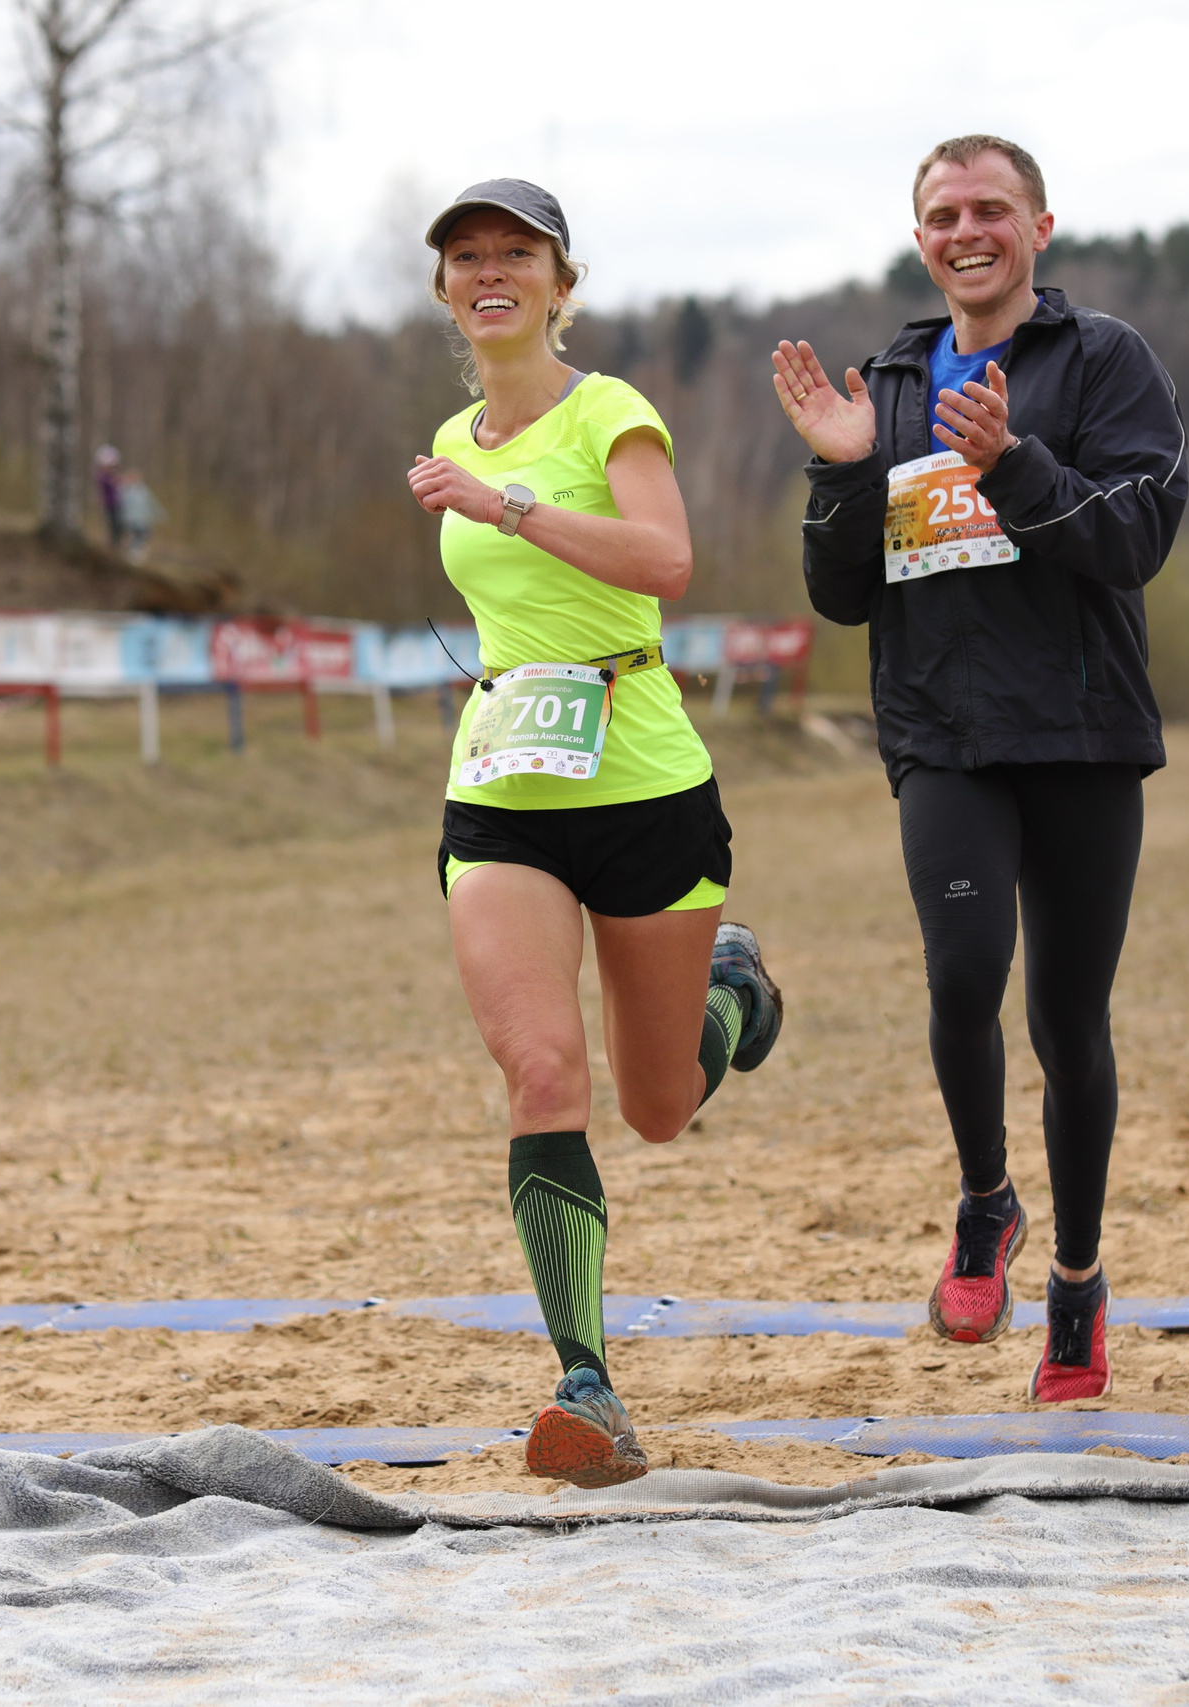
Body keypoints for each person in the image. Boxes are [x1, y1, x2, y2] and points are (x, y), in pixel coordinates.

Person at [770, 134, 1185, 1403]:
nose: (967, 231)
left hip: (1077, 737)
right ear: (920, 239)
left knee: (1068, 1023)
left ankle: (1075, 1283)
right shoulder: (888, 382)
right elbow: (842, 599)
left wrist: (1010, 460)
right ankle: (985, 1204)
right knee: (960, 976)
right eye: (943, 213)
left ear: (1038, 228)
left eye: (990, 209)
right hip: (941, 737)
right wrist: (842, 470)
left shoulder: (1104, 361)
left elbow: (1134, 537)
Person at [407, 179, 783, 1485]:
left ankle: (731, 992)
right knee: (542, 1076)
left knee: (661, 1101)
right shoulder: (451, 429)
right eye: (467, 256)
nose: (490, 271)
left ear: (562, 284)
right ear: (447, 289)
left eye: (517, 253)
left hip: (642, 780)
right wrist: (473, 490)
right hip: (504, 785)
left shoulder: (609, 411)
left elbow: (665, 563)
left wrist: (500, 502)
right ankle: (587, 1385)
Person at [116, 467, 160, 564]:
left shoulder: (143, 489)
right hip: (130, 520)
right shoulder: (124, 490)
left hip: (143, 519)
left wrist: (156, 515)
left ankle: (139, 557)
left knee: (143, 537)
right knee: (132, 538)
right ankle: (131, 557)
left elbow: (150, 503)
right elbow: (121, 505)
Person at [93, 445, 126, 551]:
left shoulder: (112, 475)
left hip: (118, 503)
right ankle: (113, 546)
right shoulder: (103, 476)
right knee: (113, 525)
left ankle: (116, 545)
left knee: (119, 525)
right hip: (109, 503)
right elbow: (107, 484)